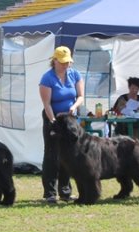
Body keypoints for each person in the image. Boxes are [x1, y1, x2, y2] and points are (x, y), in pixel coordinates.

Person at [39, 46, 85, 203]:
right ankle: (50, 193)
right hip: (54, 119)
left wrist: (74, 106)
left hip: (71, 121)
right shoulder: (47, 78)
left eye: (68, 62)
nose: (66, 65)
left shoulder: (75, 74)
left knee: (69, 156)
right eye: (63, 62)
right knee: (51, 155)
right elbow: (47, 104)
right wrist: (53, 123)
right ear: (55, 61)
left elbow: (80, 96)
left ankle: (65, 192)